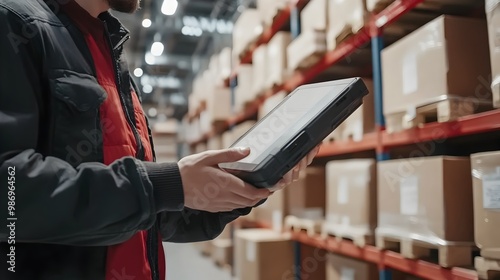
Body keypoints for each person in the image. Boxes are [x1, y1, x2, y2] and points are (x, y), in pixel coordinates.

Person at [0, 0, 320, 279]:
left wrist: (249, 181)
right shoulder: (15, 24)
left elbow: (150, 214)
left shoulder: (109, 53)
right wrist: (164, 185)